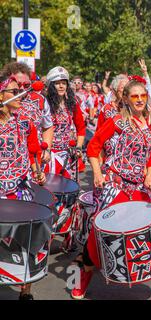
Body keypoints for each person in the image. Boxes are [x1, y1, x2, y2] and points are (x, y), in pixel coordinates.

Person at [72, 80, 151, 300]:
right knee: (99, 231)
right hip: (115, 184)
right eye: (135, 96)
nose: (140, 100)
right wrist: (97, 173)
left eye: (143, 95)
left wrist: (150, 176)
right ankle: (82, 279)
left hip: (139, 187)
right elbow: (94, 146)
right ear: (125, 99)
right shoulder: (117, 121)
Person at [0, 74, 46, 300]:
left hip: (20, 188)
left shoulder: (25, 121)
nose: (21, 94)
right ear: (1, 96)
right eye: (14, 91)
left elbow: (33, 150)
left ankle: (24, 289)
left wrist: (38, 171)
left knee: (26, 238)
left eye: (22, 90)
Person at [44, 67, 85, 181]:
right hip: (48, 155)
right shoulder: (44, 103)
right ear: (51, 85)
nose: (61, 86)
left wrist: (78, 147)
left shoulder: (73, 103)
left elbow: (81, 127)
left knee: (67, 191)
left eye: (64, 83)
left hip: (67, 155)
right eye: (57, 83)